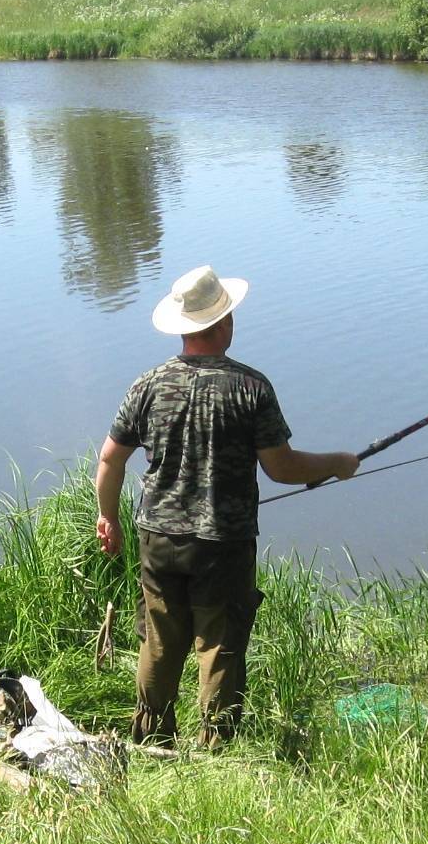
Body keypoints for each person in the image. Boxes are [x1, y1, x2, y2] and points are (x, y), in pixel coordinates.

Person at [95, 265, 359, 746]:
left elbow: (110, 459)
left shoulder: (147, 385)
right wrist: (337, 462)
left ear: (182, 327)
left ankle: (152, 736)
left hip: (158, 537)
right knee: (218, 644)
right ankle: (216, 746)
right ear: (223, 323)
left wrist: (107, 517)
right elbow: (280, 467)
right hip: (223, 541)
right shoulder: (251, 388)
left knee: (159, 637)